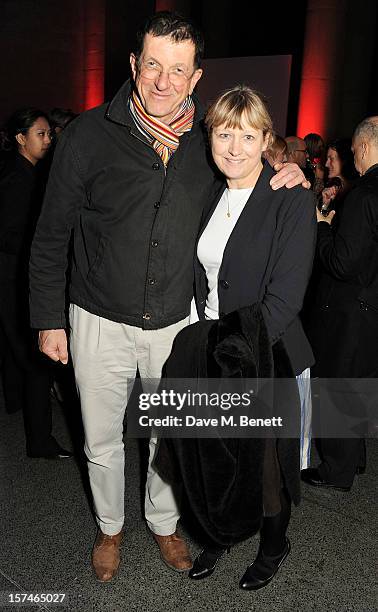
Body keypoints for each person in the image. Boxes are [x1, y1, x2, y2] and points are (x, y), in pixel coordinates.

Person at [28, 11, 309, 582]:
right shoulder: (85, 135)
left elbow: (244, 161)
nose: (163, 80)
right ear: (134, 66)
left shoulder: (204, 144)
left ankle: (163, 523)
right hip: (96, 316)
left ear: (195, 76)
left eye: (178, 70)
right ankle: (110, 528)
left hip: (176, 325)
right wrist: (48, 319)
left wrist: (286, 169)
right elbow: (51, 234)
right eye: (153, 65)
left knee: (170, 434)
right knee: (101, 435)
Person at [157, 85, 316, 590]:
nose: (234, 147)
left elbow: (286, 297)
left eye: (248, 135)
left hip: (265, 353)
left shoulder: (290, 197)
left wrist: (230, 350)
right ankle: (220, 534)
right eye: (225, 133)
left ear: (266, 139)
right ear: (211, 137)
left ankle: (274, 545)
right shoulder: (209, 192)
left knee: (265, 464)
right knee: (217, 456)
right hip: (211, 349)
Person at [302, 117, 378, 491]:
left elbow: (341, 263)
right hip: (373, 309)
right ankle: (355, 458)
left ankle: (336, 470)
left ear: (362, 149)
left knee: (337, 387)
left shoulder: (365, 194)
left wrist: (322, 226)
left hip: (352, 311)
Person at [0, 108, 72, 459]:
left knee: (20, 355)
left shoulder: (26, 172)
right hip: (15, 280)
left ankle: (15, 404)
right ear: (20, 139)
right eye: (41, 134)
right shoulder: (18, 178)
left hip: (15, 277)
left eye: (49, 134)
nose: (48, 140)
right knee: (36, 363)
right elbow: (11, 235)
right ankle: (40, 441)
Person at [320, 138, 358, 215]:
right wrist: (325, 205)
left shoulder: (356, 192)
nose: (326, 164)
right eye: (327, 159)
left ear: (344, 160)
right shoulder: (331, 188)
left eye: (331, 159)